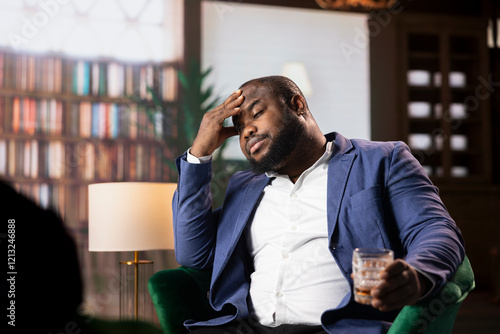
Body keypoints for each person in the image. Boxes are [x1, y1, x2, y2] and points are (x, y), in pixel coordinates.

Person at [172, 76, 465, 334]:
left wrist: (417, 274)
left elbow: (434, 229)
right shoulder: (243, 187)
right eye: (238, 128)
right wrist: (200, 154)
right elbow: (193, 255)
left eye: (257, 114)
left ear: (297, 104)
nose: (246, 131)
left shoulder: (382, 160)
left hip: (340, 328)